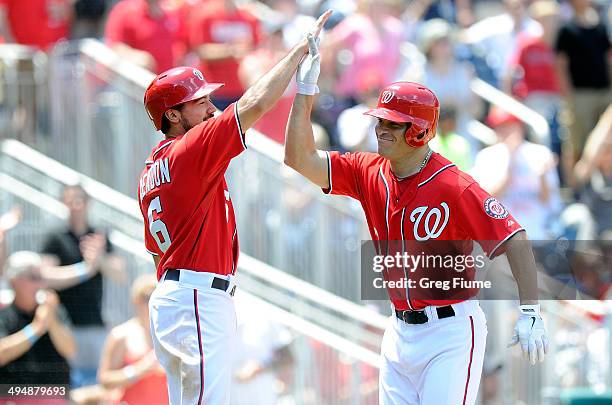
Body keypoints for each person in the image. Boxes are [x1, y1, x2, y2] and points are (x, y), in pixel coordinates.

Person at [284, 35, 548, 404]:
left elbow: (515, 239)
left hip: (451, 331)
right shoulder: (367, 170)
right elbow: (299, 158)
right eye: (381, 120)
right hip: (398, 330)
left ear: (420, 131)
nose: (381, 129)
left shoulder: (453, 185)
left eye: (393, 124)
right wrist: (305, 90)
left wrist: (530, 310)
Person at [139, 10, 332, 405]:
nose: (210, 108)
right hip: (195, 295)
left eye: (209, 98)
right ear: (172, 115)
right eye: (198, 102)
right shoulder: (187, 151)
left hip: (182, 293)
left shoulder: (152, 167)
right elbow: (254, 104)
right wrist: (296, 54)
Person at [41, 184, 126, 388]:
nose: (76, 205)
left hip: (96, 326)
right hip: (66, 327)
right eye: (71, 200)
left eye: (80, 200)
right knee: (70, 387)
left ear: (88, 204)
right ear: (64, 203)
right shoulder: (56, 237)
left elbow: (120, 275)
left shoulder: (99, 235)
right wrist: (85, 269)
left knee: (100, 388)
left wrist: (98, 260)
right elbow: (45, 277)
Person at [471, 107, 562, 240]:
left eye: (510, 126)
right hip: (502, 232)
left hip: (537, 230)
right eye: (501, 127)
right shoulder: (486, 156)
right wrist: (510, 165)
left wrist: (542, 177)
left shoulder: (540, 153)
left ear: (520, 127)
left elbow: (549, 201)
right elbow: (486, 201)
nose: (506, 132)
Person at [0, 251, 76, 386]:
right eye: (34, 277)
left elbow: (70, 350)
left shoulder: (54, 310)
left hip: (54, 394)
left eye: (42, 278)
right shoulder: (4, 315)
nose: (41, 284)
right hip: (14, 395)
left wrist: (52, 320)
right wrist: (36, 329)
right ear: (14, 280)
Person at [554, 0, 610, 166]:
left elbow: (608, 59)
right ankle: (575, 185)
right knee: (577, 141)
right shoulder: (566, 29)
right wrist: (568, 94)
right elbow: (560, 64)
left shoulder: (600, 27)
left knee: (604, 139)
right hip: (579, 94)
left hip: (604, 92)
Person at [98, 274, 168, 405]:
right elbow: (105, 380)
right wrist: (138, 370)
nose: (152, 302)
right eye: (147, 296)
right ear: (135, 300)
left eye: (157, 295)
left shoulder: (172, 335)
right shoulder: (121, 335)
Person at [188, 0, 262, 110]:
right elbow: (201, 50)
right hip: (215, 90)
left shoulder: (249, 17)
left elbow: (256, 48)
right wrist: (231, 51)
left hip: (243, 89)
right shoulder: (206, 14)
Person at [105, 0, 183, 73]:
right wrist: (134, 56)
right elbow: (115, 45)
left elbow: (183, 44)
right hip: (139, 80)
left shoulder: (172, 10)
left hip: (168, 81)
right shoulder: (126, 10)